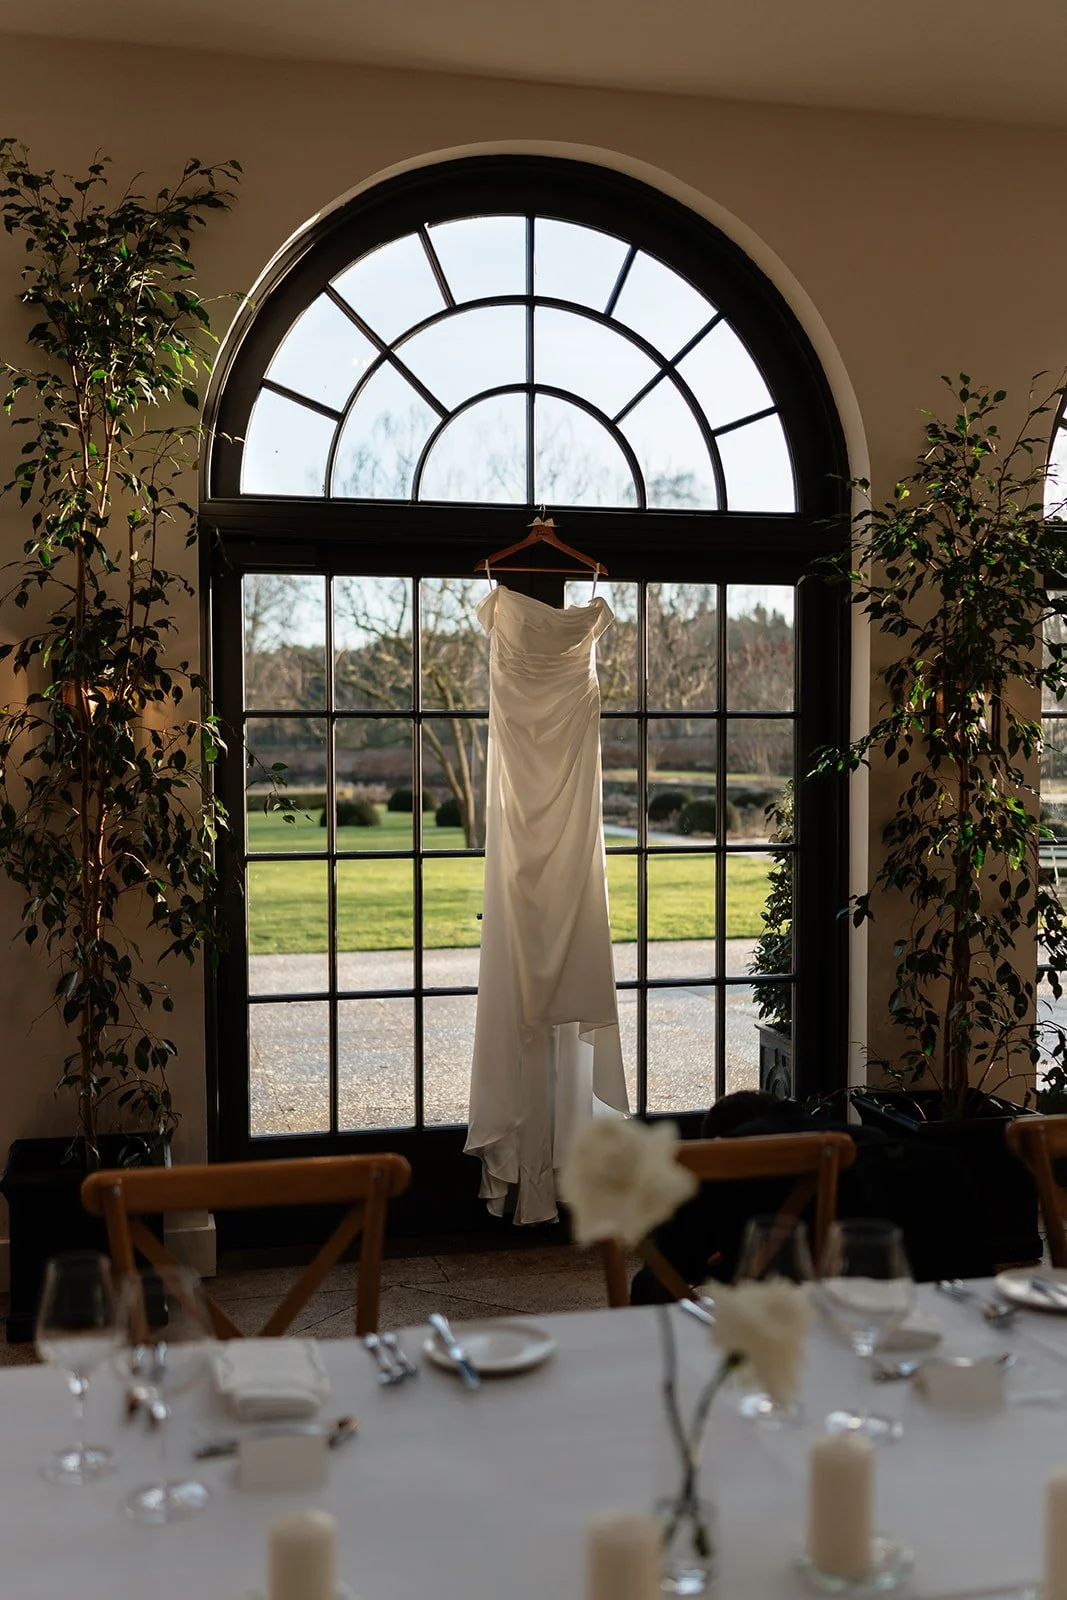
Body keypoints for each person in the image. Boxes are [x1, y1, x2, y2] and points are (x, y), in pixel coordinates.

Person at [629, 1090, 991, 1303]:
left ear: (721, 1141)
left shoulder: (730, 1164)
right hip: (919, 1298)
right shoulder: (888, 1149)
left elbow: (669, 1270)